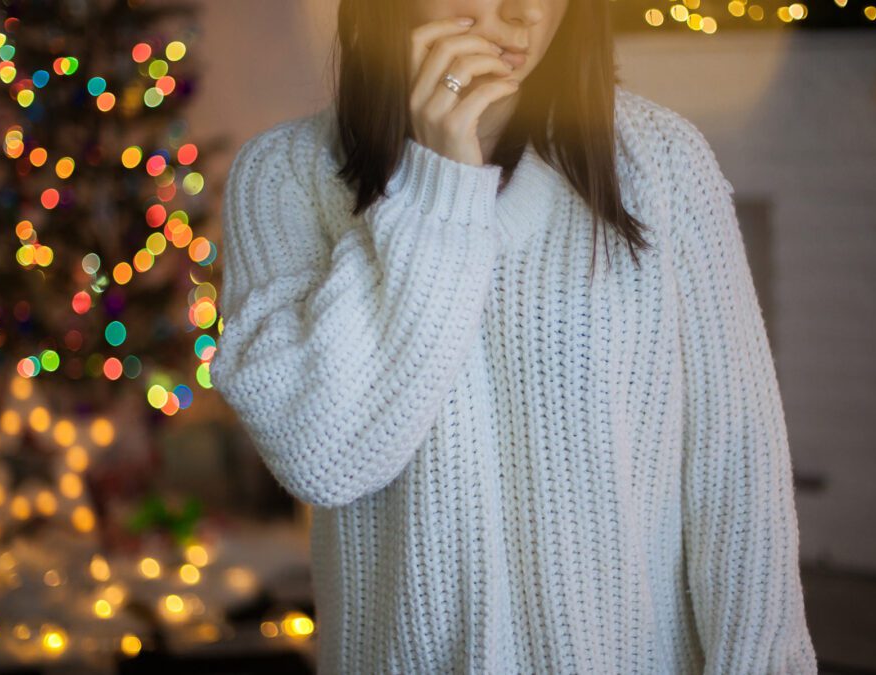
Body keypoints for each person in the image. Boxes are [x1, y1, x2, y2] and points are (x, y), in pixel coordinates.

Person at [210, 0, 819, 672]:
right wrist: (437, 182)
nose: (521, 13)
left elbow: (736, 473)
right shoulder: (283, 176)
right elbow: (321, 456)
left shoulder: (662, 160)